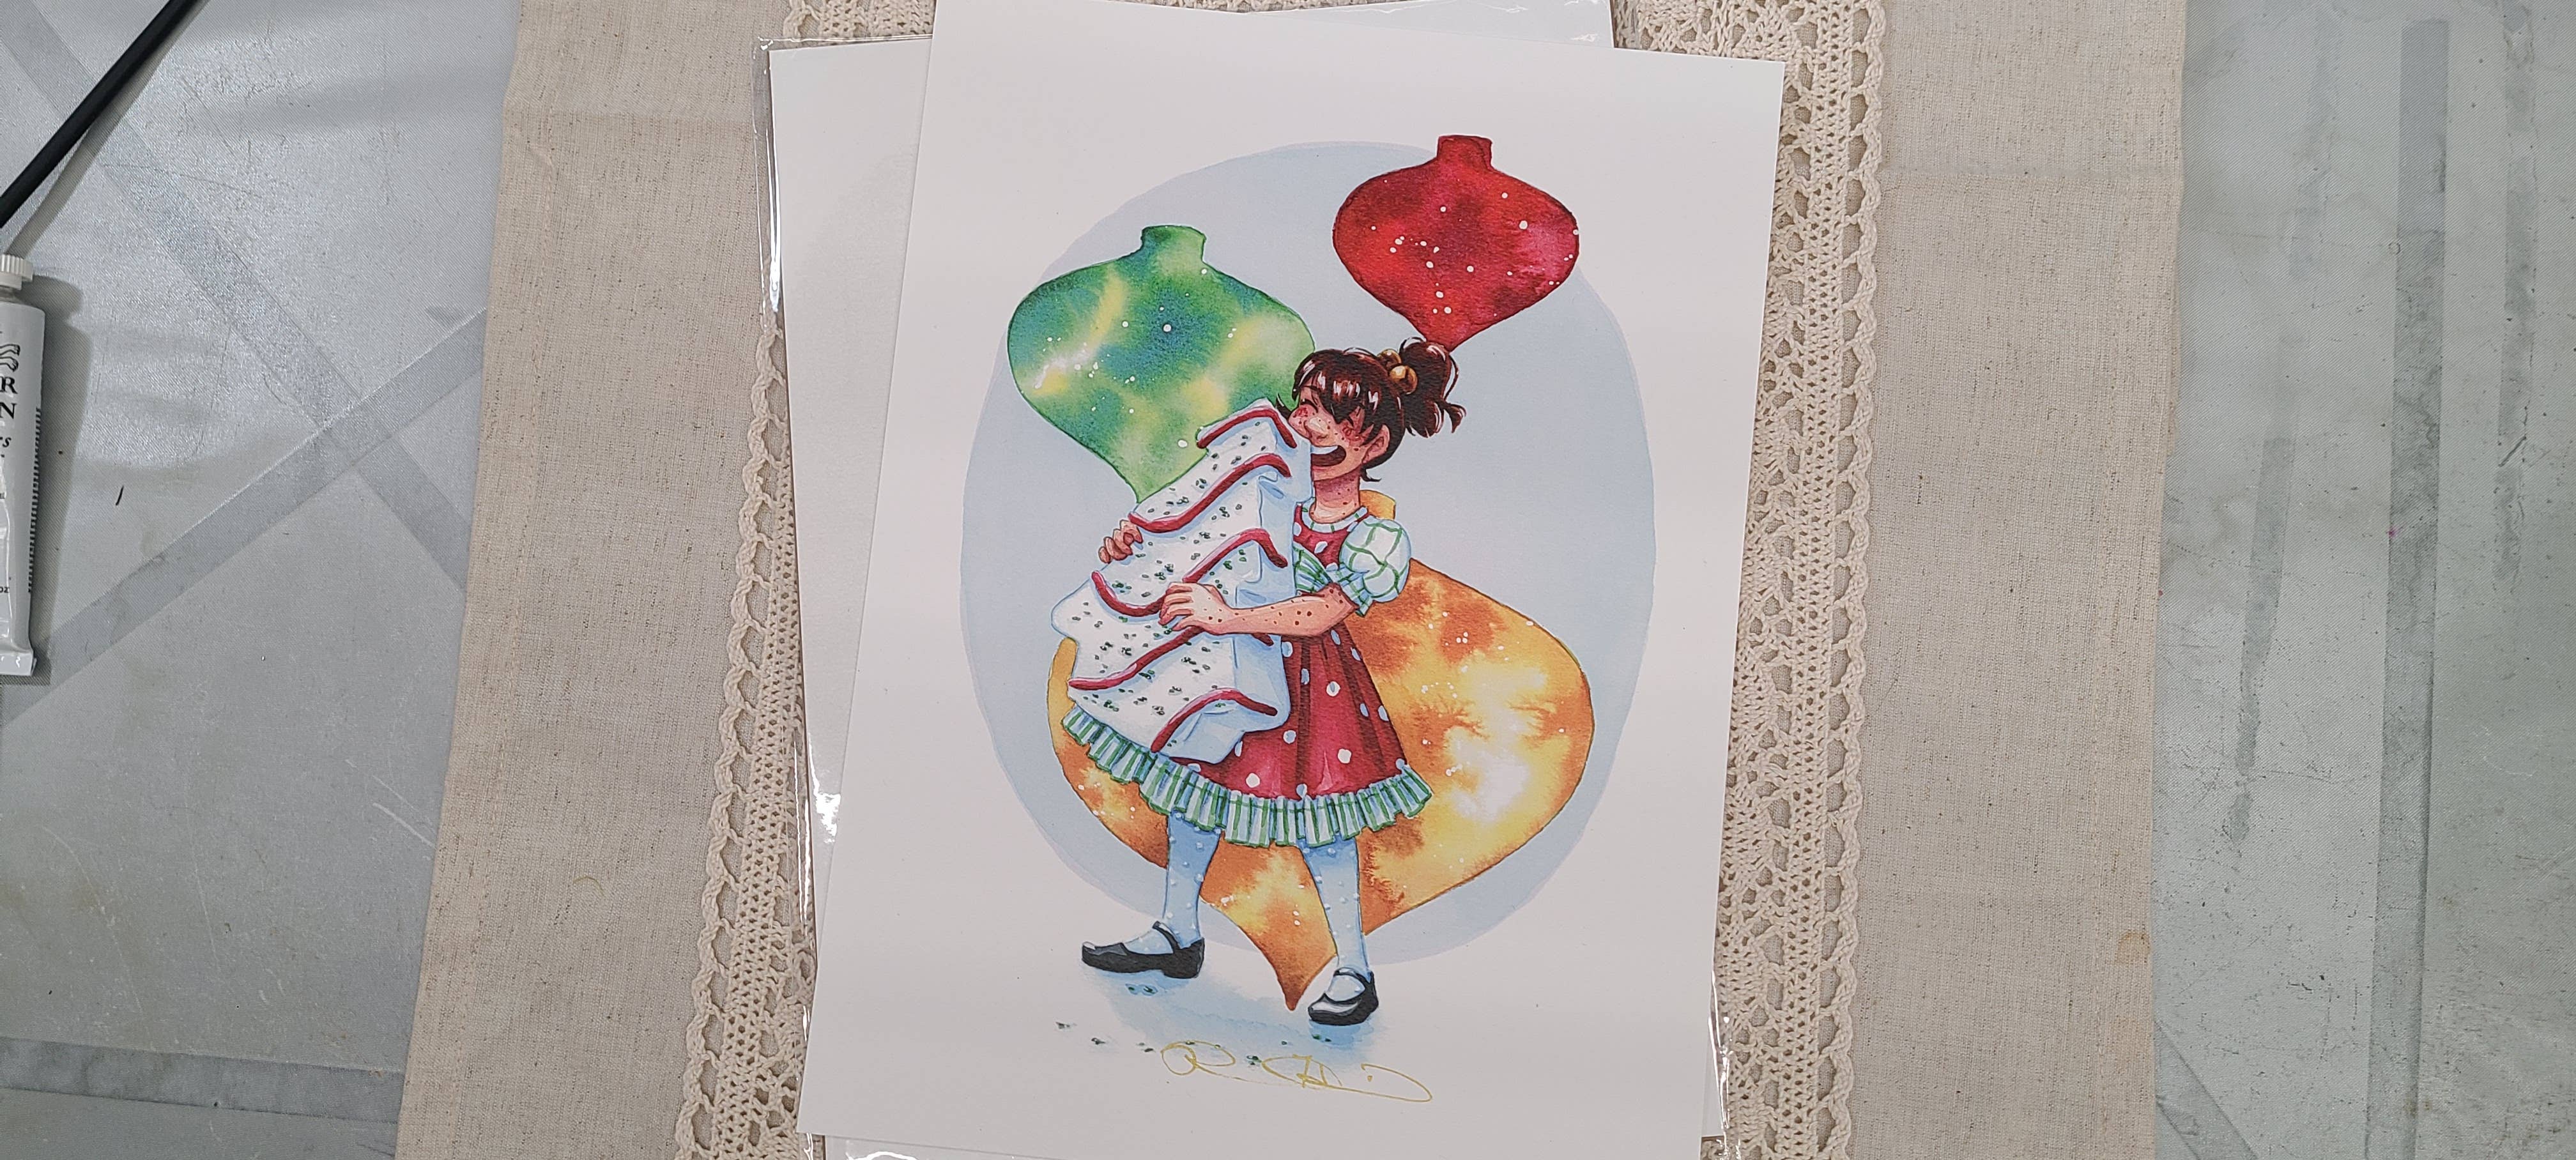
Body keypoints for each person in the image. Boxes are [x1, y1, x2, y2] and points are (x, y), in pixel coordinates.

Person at [1067, 339, 1463, 1026]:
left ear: (1373, 445)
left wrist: (1229, 617)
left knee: (1323, 829)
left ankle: (1353, 967)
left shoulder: (1372, 538)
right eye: (1305, 406)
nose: (1310, 426)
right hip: (1223, 674)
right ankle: (1177, 931)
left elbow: (1320, 614)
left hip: (1310, 694)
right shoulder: (1257, 495)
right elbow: (1187, 546)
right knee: (1193, 794)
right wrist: (1134, 547)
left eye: (1334, 418)